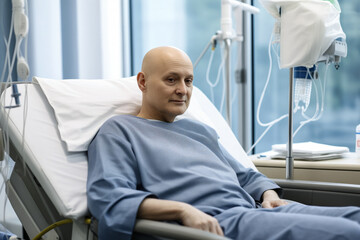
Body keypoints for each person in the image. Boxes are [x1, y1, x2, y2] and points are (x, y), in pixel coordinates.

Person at [87, 46, 360, 240]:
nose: (183, 89)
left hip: (257, 211)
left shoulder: (200, 130)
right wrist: (184, 211)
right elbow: (109, 197)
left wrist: (270, 196)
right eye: (171, 80)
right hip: (218, 221)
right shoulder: (120, 131)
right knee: (348, 234)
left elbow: (245, 175)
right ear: (143, 82)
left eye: (189, 80)